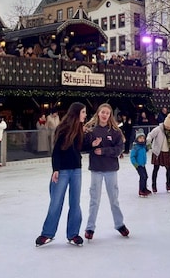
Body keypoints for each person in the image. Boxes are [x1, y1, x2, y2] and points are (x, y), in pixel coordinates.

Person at [36, 102, 100, 247]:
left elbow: (79, 148)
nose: (85, 115)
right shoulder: (63, 128)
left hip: (76, 170)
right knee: (56, 202)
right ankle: (47, 233)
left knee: (75, 203)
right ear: (76, 113)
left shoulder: (79, 129)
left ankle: (73, 234)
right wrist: (56, 169)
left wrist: (92, 145)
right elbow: (57, 150)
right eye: (83, 112)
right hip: (62, 170)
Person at [83, 103, 130, 241]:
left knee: (114, 199)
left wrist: (103, 151)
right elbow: (84, 147)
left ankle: (119, 224)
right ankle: (90, 227)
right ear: (98, 113)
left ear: (110, 116)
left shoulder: (115, 132)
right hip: (96, 169)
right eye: (102, 112)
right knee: (94, 199)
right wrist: (92, 145)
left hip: (110, 169)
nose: (104, 115)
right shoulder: (91, 131)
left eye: (107, 113)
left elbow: (119, 149)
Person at [147, 113, 170, 193]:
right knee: (156, 169)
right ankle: (154, 185)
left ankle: (168, 185)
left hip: (167, 152)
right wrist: (148, 142)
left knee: (169, 169)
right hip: (158, 152)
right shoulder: (158, 129)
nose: (168, 128)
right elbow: (150, 135)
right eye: (167, 127)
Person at [129, 129, 151, 197]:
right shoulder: (136, 147)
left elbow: (145, 151)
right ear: (137, 139)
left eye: (143, 138)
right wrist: (135, 164)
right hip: (138, 165)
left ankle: (144, 189)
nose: (142, 139)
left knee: (145, 176)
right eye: (140, 138)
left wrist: (148, 147)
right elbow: (132, 157)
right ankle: (141, 190)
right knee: (142, 176)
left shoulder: (143, 146)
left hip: (143, 164)